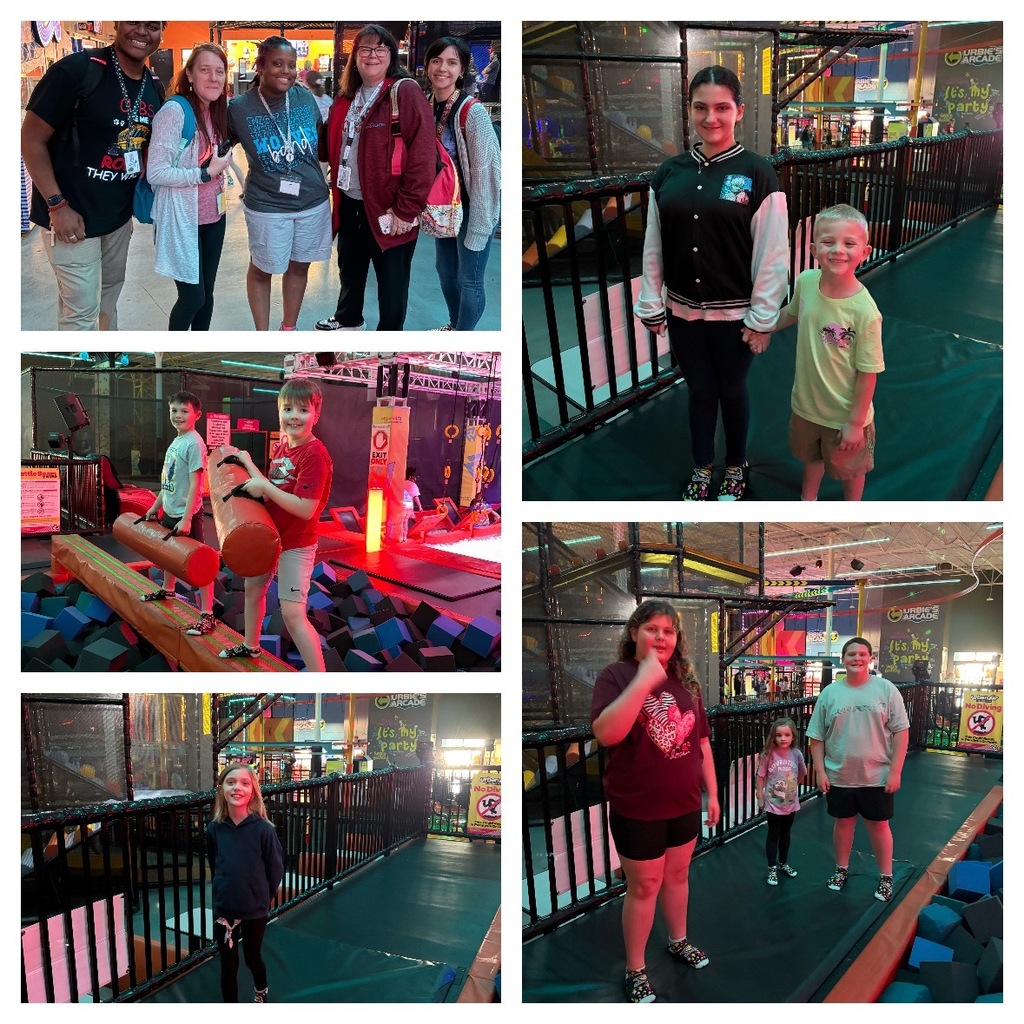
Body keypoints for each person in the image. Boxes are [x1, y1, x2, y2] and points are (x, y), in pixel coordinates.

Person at [634, 65, 789, 501]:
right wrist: (651, 302)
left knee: (733, 389)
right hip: (683, 312)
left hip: (736, 315)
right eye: (701, 107)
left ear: (738, 111)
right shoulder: (669, 173)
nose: (711, 118)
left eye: (722, 108)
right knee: (700, 391)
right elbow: (654, 245)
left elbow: (772, 252)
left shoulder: (759, 174)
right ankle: (703, 466)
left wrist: (762, 320)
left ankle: (736, 466)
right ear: (690, 111)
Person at [590, 600, 720, 1003]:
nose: (661, 637)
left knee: (678, 877)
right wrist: (645, 679)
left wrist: (712, 792)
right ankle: (636, 968)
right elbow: (606, 734)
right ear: (634, 633)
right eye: (652, 629)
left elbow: (700, 741)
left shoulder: (687, 683)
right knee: (644, 885)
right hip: (638, 806)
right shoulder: (616, 675)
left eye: (668, 631)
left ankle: (678, 940)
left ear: (677, 639)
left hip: (683, 802)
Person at [21, 21, 165, 330]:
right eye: (133, 22)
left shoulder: (154, 85)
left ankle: (110, 368)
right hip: (70, 217)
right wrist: (57, 205)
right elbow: (31, 139)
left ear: (161, 32)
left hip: (117, 219)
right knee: (81, 312)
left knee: (108, 302)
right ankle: (80, 375)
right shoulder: (77, 70)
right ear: (116, 23)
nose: (142, 32)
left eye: (152, 25)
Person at [317, 24, 435, 331]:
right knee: (350, 269)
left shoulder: (404, 93)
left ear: (391, 55)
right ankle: (348, 319)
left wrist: (406, 209)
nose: (372, 55)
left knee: (392, 281)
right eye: (365, 49)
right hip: (350, 203)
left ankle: (389, 338)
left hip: (389, 208)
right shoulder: (346, 98)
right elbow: (327, 145)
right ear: (355, 56)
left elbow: (423, 156)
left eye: (380, 49)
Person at [769, 203, 884, 501]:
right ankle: (809, 499)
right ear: (813, 248)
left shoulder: (865, 311)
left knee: (852, 469)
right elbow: (791, 314)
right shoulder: (807, 281)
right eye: (828, 242)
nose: (838, 250)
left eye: (849, 243)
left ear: (865, 252)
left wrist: (856, 423)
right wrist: (762, 328)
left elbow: (868, 372)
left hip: (843, 414)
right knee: (812, 456)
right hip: (807, 405)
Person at [218, 378, 333, 671]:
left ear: (315, 414)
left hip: (296, 544)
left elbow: (306, 509)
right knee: (253, 589)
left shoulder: (315, 455)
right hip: (270, 536)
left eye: (303, 410)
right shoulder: (283, 448)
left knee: (293, 614)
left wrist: (265, 489)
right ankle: (250, 646)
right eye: (288, 408)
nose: (294, 416)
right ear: (279, 410)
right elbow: (270, 485)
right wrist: (246, 462)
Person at [227, 35, 332, 330]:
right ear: (260, 66)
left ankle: (288, 329)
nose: (286, 71)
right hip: (267, 205)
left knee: (299, 266)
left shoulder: (304, 97)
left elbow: (321, 140)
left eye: (291, 65)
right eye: (277, 64)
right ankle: (263, 335)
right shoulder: (238, 108)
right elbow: (217, 144)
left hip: (312, 201)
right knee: (262, 268)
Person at [807, 637, 909, 903]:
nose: (857, 658)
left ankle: (886, 877)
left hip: (876, 775)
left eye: (862, 654)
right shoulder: (830, 693)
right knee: (843, 823)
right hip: (840, 775)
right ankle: (841, 870)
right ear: (843, 659)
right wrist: (820, 771)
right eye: (851, 654)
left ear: (870, 658)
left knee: (879, 826)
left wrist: (895, 771)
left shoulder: (886, 690)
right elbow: (815, 738)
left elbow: (901, 732)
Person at [148, 44, 233, 331]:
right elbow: (156, 172)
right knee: (192, 297)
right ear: (190, 75)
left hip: (214, 217)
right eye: (205, 70)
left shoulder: (216, 110)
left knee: (206, 296)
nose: (213, 78)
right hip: (182, 220)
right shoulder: (175, 111)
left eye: (219, 71)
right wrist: (204, 174)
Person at [424, 36, 501, 331]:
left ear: (462, 69)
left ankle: (463, 336)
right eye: (437, 60)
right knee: (446, 273)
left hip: (474, 205)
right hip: (444, 206)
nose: (443, 68)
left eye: (451, 62)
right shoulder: (425, 105)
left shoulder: (473, 113)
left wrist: (482, 222)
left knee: (470, 277)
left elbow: (487, 173)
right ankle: (455, 325)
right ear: (428, 65)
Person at [139, 390, 215, 635]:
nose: (178, 415)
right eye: (174, 410)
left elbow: (196, 484)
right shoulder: (178, 440)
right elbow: (167, 480)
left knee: (201, 563)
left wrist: (185, 519)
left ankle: (207, 615)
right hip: (171, 510)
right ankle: (168, 589)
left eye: (184, 411)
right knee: (169, 554)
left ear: (197, 415)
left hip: (187, 514)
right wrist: (155, 506)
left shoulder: (193, 442)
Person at [206, 763, 284, 1002]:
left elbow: (275, 869)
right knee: (228, 964)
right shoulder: (214, 829)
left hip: (254, 910)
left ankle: (261, 993)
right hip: (225, 909)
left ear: (252, 791)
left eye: (244, 783)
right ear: (221, 789)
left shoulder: (263, 830)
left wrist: (261, 897)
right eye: (230, 782)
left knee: (252, 957)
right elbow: (215, 862)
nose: (237, 788)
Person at [755, 717, 807, 886]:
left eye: (787, 735)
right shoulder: (768, 755)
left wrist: (792, 788)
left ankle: (783, 863)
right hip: (773, 804)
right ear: (773, 737)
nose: (783, 738)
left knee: (786, 833)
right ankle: (772, 868)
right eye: (779, 735)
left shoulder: (796, 754)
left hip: (790, 804)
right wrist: (760, 797)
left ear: (793, 736)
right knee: (773, 834)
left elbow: (801, 773)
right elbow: (761, 776)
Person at [401, 466, 422, 542]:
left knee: (400, 522)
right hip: (408, 506)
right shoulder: (413, 485)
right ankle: (404, 537)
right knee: (405, 522)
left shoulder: (400, 483)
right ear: (410, 477)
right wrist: (420, 507)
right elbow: (416, 497)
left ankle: (399, 536)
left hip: (399, 505)